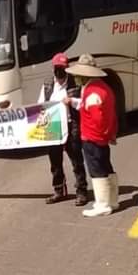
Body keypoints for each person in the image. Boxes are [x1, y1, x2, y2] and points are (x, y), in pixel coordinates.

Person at [67, 54, 120, 217]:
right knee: (106, 168)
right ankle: (112, 201)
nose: (76, 78)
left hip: (93, 137)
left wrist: (99, 135)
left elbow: (98, 119)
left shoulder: (93, 93)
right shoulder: (101, 88)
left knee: (97, 171)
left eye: (78, 76)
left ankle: (102, 204)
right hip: (102, 137)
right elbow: (94, 110)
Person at [39, 52, 89, 206]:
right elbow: (40, 104)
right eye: (57, 68)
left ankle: (81, 191)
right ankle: (58, 190)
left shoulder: (75, 83)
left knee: (76, 160)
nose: (60, 72)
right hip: (53, 127)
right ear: (54, 68)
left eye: (63, 68)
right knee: (55, 161)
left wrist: (71, 101)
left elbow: (84, 103)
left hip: (70, 124)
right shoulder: (48, 85)